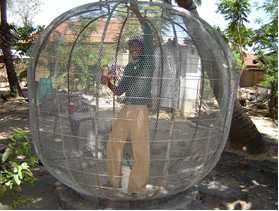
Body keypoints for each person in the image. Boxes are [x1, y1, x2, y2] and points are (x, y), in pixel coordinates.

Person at [100, 2, 155, 197]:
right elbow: (118, 91)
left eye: (137, 45)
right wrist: (107, 82)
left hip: (140, 110)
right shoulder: (130, 68)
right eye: (131, 46)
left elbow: (148, 35)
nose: (134, 48)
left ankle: (137, 188)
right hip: (126, 110)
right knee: (114, 143)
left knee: (141, 150)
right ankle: (115, 180)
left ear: (143, 48)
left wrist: (137, 12)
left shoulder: (149, 62)